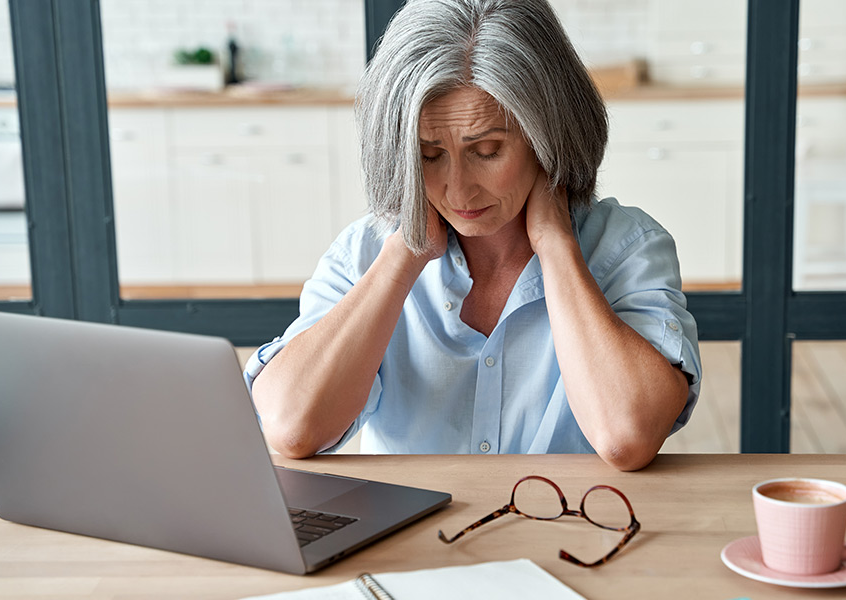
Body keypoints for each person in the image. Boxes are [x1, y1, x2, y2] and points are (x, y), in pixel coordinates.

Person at [246, 0, 701, 471]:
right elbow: (293, 427)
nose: (458, 189)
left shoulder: (626, 247)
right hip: (413, 542)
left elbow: (628, 436)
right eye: (428, 156)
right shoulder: (363, 254)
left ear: (548, 136)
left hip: (571, 534)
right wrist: (404, 255)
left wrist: (556, 246)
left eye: (487, 151)